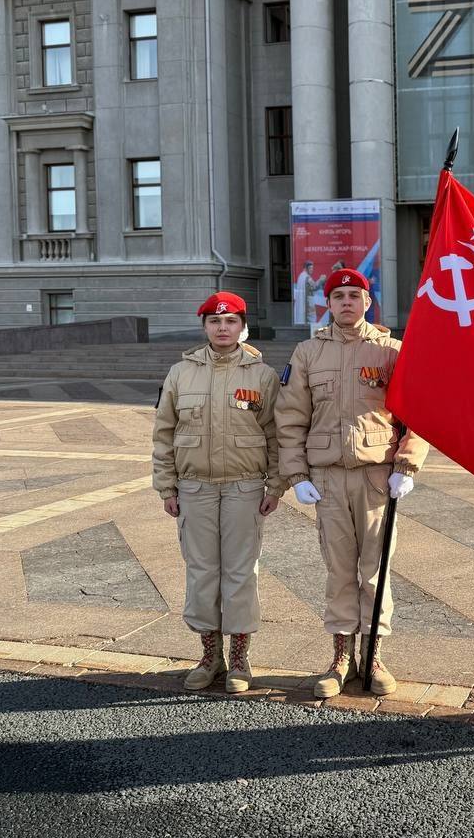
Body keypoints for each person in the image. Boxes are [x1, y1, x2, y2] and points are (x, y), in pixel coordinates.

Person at [275, 268, 428, 698]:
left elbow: (416, 413)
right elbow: (290, 419)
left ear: (368, 303)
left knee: (374, 570)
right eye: (338, 295)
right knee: (339, 569)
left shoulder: (391, 351)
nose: (346, 302)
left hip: (378, 476)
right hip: (326, 478)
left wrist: (407, 466)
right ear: (328, 303)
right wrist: (298, 475)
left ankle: (373, 655)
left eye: (354, 296)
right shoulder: (307, 353)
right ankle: (341, 658)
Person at [151, 291, 286, 693]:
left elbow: (276, 435)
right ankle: (211, 657)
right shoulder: (181, 373)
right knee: (202, 572)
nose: (222, 328)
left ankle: (241, 660)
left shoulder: (262, 376)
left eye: (230, 322)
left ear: (243, 327)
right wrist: (166, 486)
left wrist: (276, 485)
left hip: (245, 487)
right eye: (214, 321)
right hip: (195, 488)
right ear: (205, 327)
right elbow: (163, 433)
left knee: (241, 573)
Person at [294, 261, 316, 325]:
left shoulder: (301, 276)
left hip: (303, 300)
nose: (312, 270)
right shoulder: (307, 277)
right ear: (307, 268)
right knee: (312, 317)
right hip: (309, 300)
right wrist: (321, 280)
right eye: (311, 268)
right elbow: (314, 286)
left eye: (312, 268)